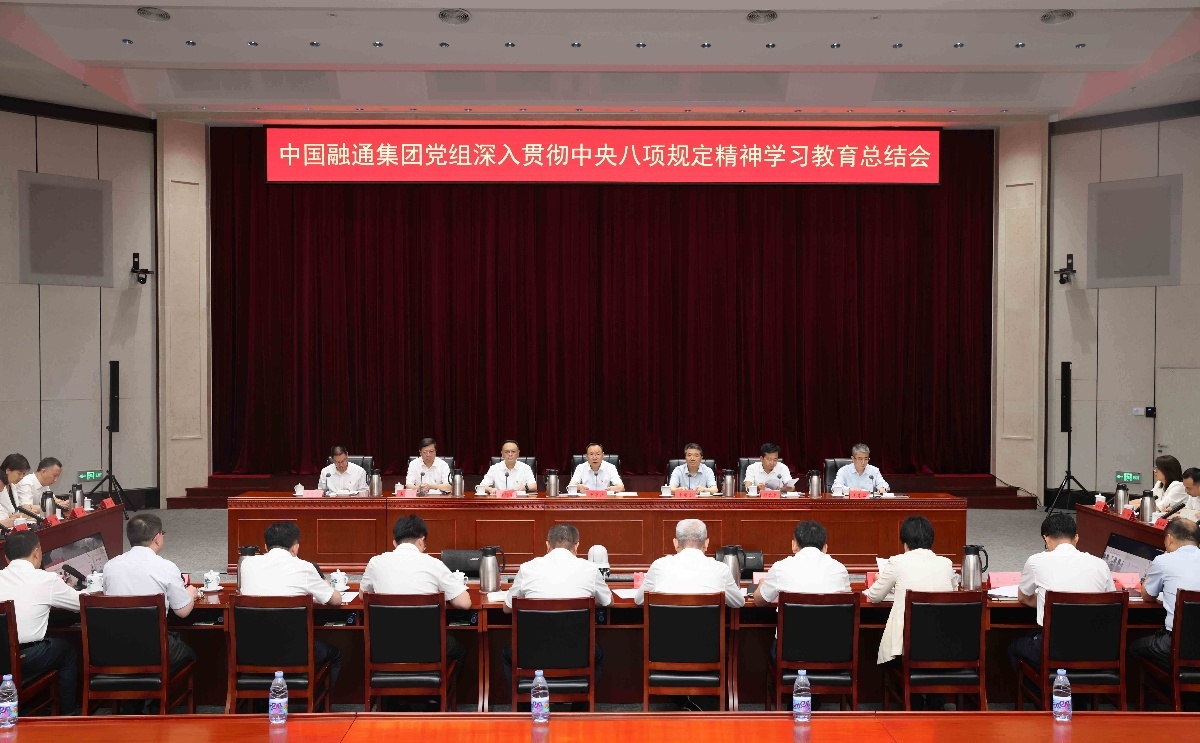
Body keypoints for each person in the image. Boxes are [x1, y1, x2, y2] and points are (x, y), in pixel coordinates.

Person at [360, 514, 470, 698]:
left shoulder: (375, 563)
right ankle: (438, 698)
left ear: (394, 543)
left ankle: (391, 701)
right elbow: (465, 603)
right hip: (428, 649)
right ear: (421, 541)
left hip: (385, 648)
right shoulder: (434, 564)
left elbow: (363, 596)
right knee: (459, 651)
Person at [865, 515, 956, 710]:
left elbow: (874, 596)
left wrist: (879, 579)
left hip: (908, 650)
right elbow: (954, 593)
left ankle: (912, 702)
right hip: (943, 648)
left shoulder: (897, 562)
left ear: (905, 543)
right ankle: (934, 701)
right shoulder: (946, 564)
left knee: (895, 652)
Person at [102, 514, 200, 694]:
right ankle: (157, 702)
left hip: (115, 649)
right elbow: (183, 612)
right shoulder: (166, 567)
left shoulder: (110, 566)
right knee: (190, 655)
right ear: (157, 538)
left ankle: (135, 700)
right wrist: (191, 594)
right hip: (154, 650)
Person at [239, 521, 345, 687]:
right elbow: (336, 600)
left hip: (251, 653)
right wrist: (324, 583)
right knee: (335, 655)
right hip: (296, 654)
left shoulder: (247, 564)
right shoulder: (304, 568)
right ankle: (316, 702)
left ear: (266, 547)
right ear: (295, 548)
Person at [502, 524, 612, 684]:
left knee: (508, 655)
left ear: (547, 546)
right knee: (598, 654)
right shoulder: (590, 569)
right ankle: (580, 699)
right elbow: (608, 601)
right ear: (576, 546)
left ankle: (530, 698)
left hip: (533, 656)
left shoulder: (527, 568)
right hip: (577, 656)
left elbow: (507, 608)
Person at [1007, 513, 1114, 673]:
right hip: (1097, 650)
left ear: (1046, 538)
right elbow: (1111, 603)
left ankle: (1044, 689)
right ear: (1076, 538)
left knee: (1013, 647)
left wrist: (1046, 602)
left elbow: (1023, 598)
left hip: (1053, 650)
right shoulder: (1100, 564)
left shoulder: (1036, 561)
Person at [0, 532, 80, 714]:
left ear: (6, 558)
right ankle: (68, 714)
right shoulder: (46, 579)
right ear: (37, 552)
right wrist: (66, 589)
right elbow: (82, 603)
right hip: (24, 659)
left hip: (2, 659)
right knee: (67, 651)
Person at [1130, 518, 1200, 671]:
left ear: (1169, 538)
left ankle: (1168, 684)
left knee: (1132, 647)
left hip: (1177, 644)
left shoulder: (1164, 560)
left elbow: (1147, 595)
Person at [636, 519, 744, 607]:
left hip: (666, 628)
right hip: (706, 628)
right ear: (706, 543)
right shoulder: (721, 569)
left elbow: (639, 600)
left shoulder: (658, 566)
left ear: (675, 543)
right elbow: (738, 602)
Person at [753, 520, 850, 607]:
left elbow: (759, 601)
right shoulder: (840, 569)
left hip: (792, 622)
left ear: (794, 545)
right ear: (825, 548)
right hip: (831, 622)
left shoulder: (780, 568)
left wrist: (762, 584)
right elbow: (848, 602)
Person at [0, 453, 31, 525]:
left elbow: (15, 510)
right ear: (8, 470)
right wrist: (14, 515)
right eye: (19, 473)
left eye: (23, 474)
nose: (21, 477)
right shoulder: (1, 486)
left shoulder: (13, 486)